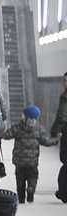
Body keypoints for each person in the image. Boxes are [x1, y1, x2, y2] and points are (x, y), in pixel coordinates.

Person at [2, 106, 58, 204]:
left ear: (25, 117)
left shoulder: (18, 128)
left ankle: (21, 198)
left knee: (20, 181)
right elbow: (46, 142)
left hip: (19, 162)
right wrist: (56, 140)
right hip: (32, 162)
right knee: (33, 178)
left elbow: (6, 135)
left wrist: (0, 130)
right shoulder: (39, 129)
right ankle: (31, 189)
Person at [51, 71, 67, 203]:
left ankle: (63, 192)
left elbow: (62, 115)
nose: (65, 83)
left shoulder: (65, 96)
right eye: (64, 81)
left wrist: (55, 131)